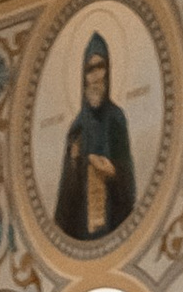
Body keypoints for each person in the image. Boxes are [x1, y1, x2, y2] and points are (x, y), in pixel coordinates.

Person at [52, 32, 137, 247]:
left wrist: (112, 172)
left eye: (100, 67)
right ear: (84, 76)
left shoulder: (116, 119)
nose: (96, 76)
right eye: (90, 69)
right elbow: (66, 202)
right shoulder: (77, 129)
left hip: (114, 226)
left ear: (108, 71)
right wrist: (74, 164)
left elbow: (128, 181)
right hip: (83, 232)